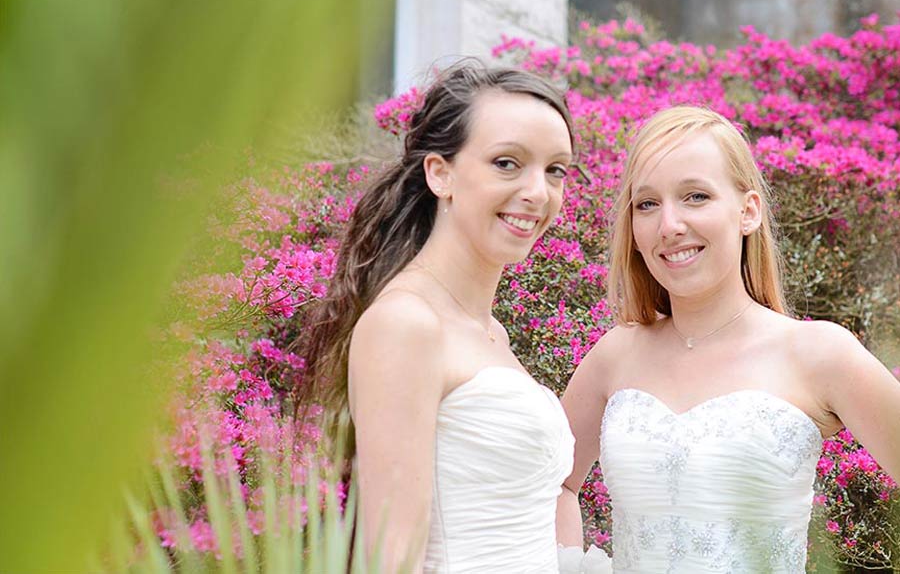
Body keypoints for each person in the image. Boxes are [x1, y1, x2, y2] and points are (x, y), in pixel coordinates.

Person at [556, 105, 900, 572]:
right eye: (647, 203)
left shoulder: (819, 353)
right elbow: (552, 483)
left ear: (748, 211)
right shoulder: (616, 354)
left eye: (695, 196)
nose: (669, 225)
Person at [300, 63, 577, 573]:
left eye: (555, 170)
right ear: (440, 173)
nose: (539, 192)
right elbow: (392, 557)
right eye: (507, 163)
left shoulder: (490, 333)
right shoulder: (405, 324)